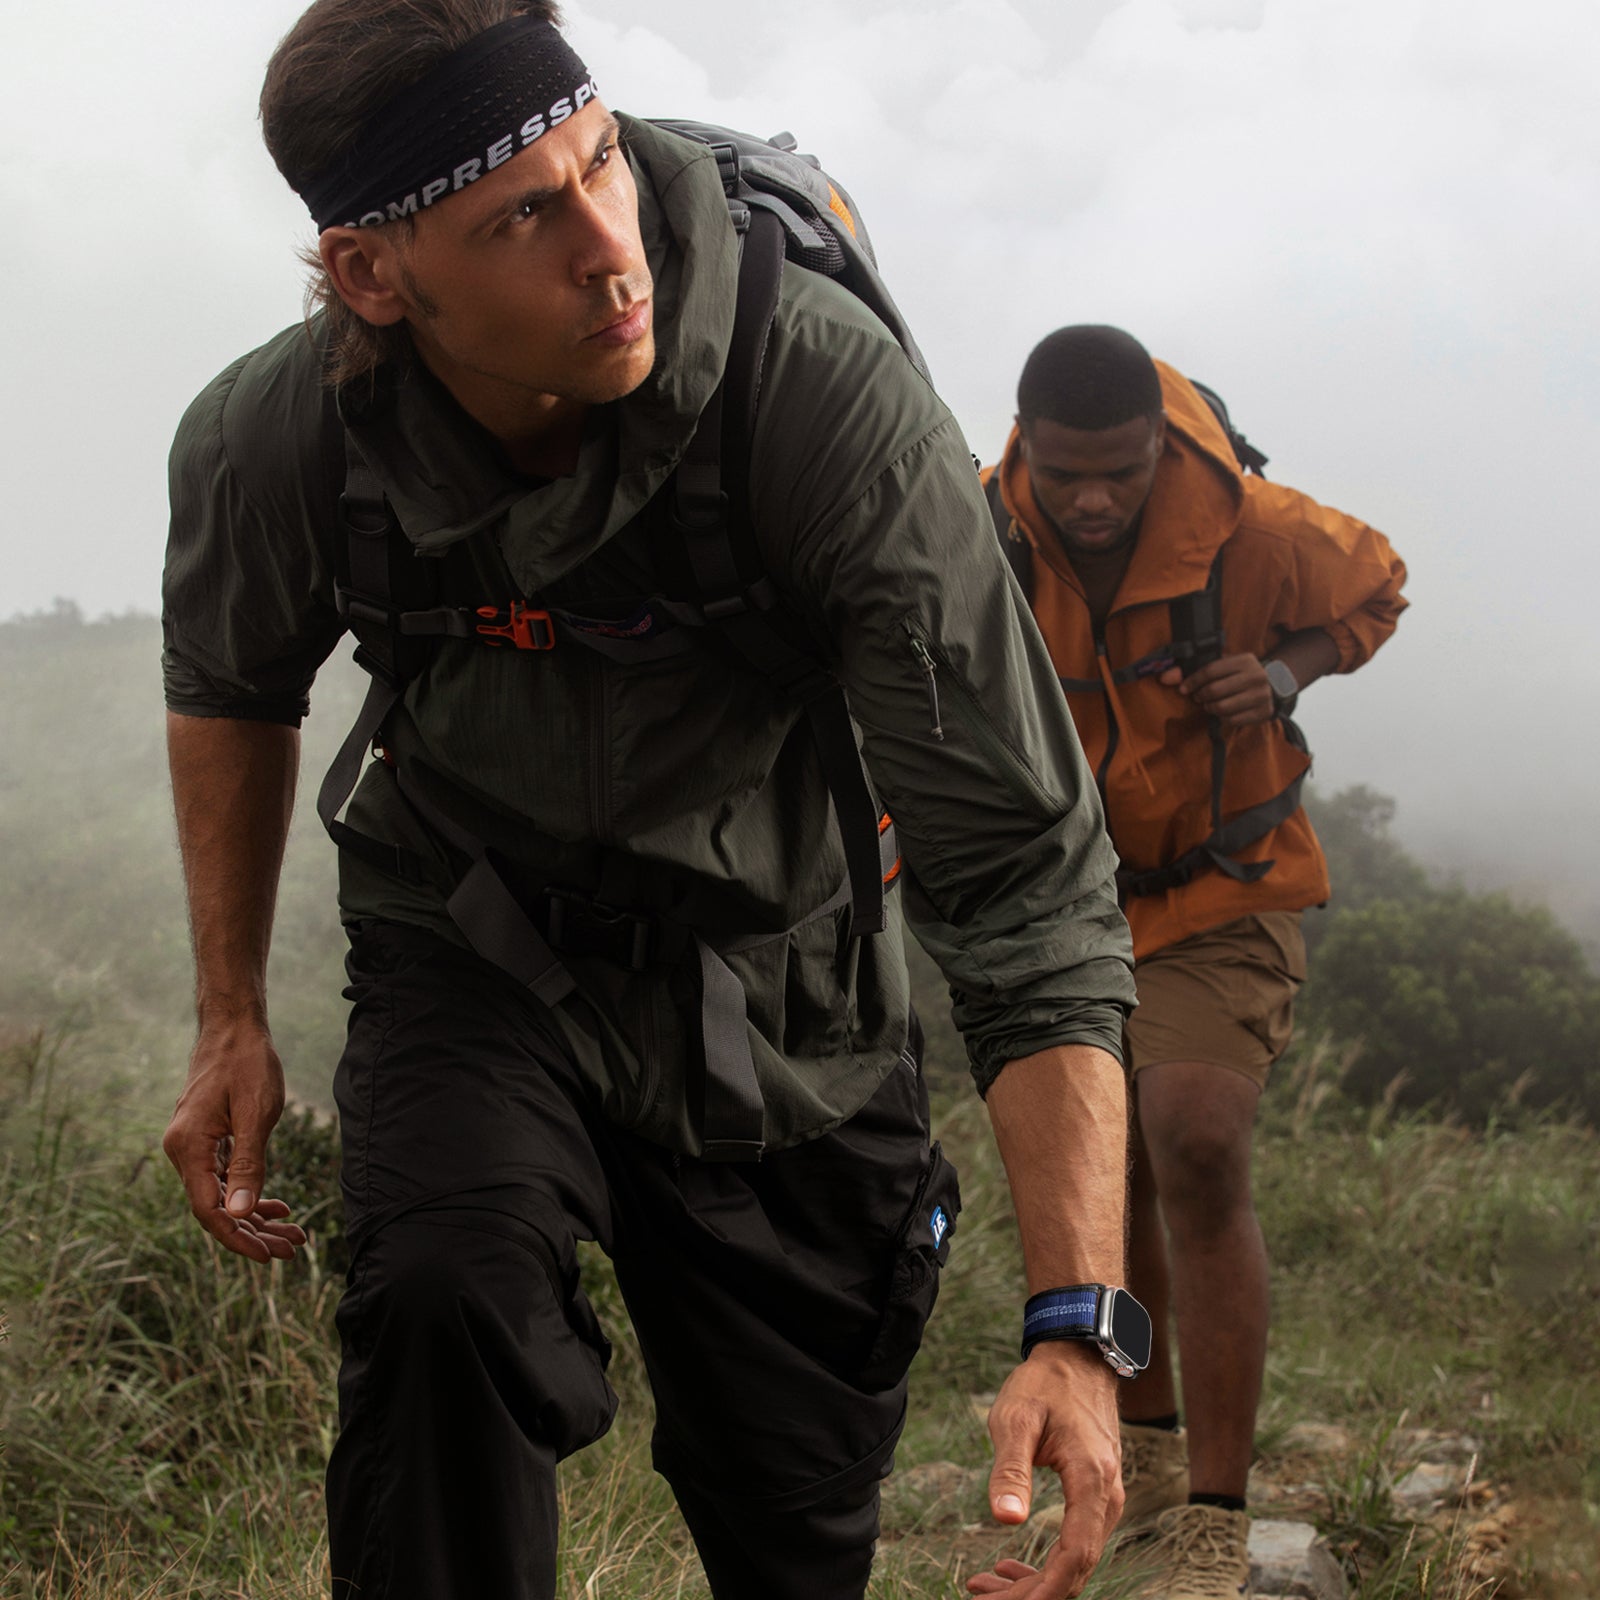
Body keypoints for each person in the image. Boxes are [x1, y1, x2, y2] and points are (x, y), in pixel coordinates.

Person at [158, 6, 1143, 1599]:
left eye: (603, 161)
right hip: (474, 945)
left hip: (786, 993)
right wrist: (228, 1015)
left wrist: (1078, 1325)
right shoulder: (279, 438)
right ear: (371, 275)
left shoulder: (823, 406)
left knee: (798, 1517)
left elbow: (1022, 877)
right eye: (522, 217)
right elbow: (230, 679)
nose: (612, 249)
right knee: (437, 1307)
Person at [976, 326, 1408, 1599]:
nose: (1096, 500)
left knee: (1196, 1137)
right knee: (1112, 1168)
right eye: (1068, 477)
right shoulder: (983, 532)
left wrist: (1283, 671)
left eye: (1120, 471)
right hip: (1072, 899)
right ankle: (1148, 1450)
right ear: (1026, 451)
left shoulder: (1258, 529)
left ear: (1158, 444)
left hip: (1228, 881)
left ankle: (1215, 1516)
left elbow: (1376, 586)